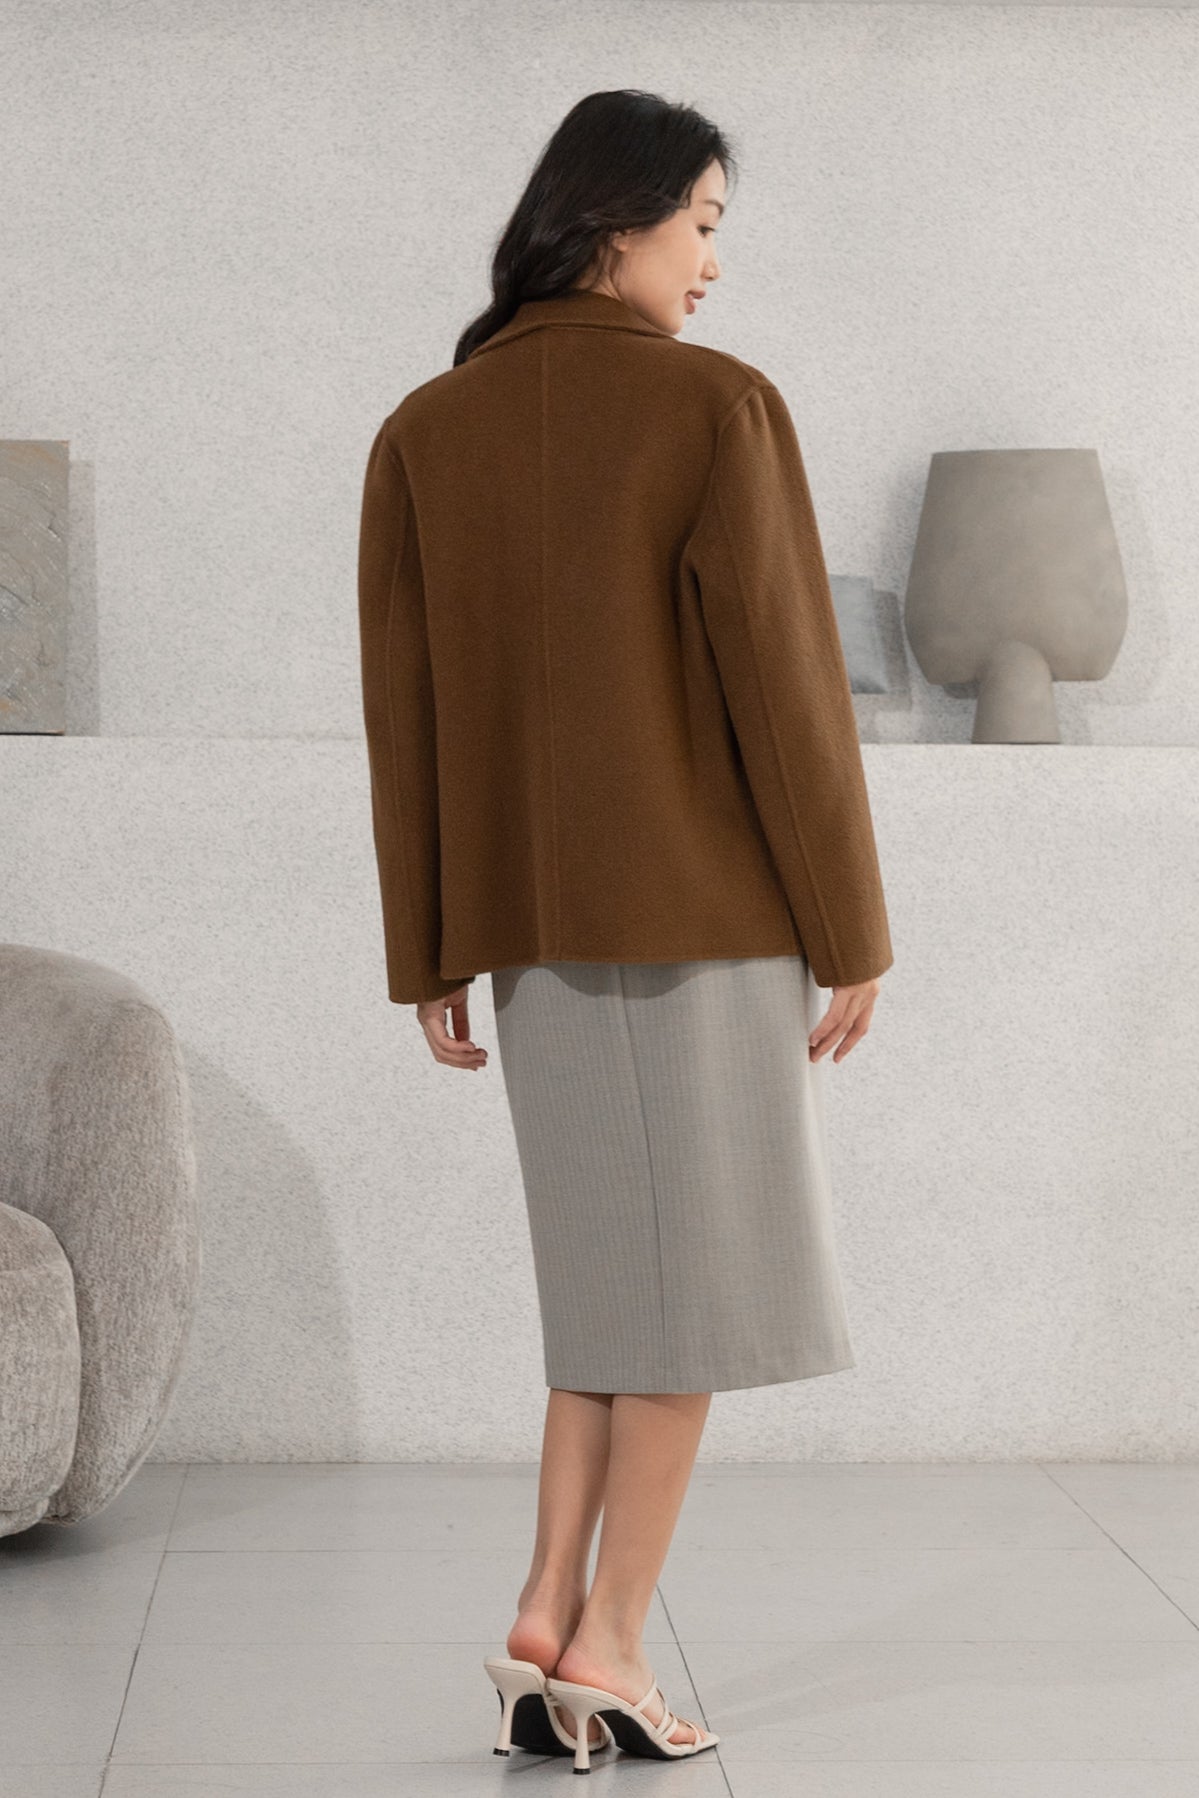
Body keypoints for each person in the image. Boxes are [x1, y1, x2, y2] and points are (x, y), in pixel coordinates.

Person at [357, 88, 894, 1771]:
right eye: (704, 222)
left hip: (529, 938)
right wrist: (854, 925)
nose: (714, 262)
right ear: (616, 219)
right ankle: (612, 1643)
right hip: (705, 921)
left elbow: (406, 716)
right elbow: (789, 698)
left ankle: (543, 1612)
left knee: (608, 1290)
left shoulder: (425, 429)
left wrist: (429, 949)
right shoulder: (715, 408)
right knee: (690, 1304)